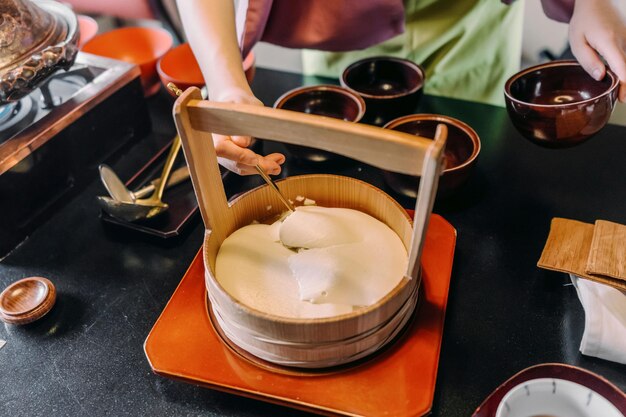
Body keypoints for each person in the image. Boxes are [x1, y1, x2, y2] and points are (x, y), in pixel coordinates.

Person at [177, 0, 626, 176]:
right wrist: (225, 85)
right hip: (334, 18)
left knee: (465, 159)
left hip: (471, 22)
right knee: (342, 164)